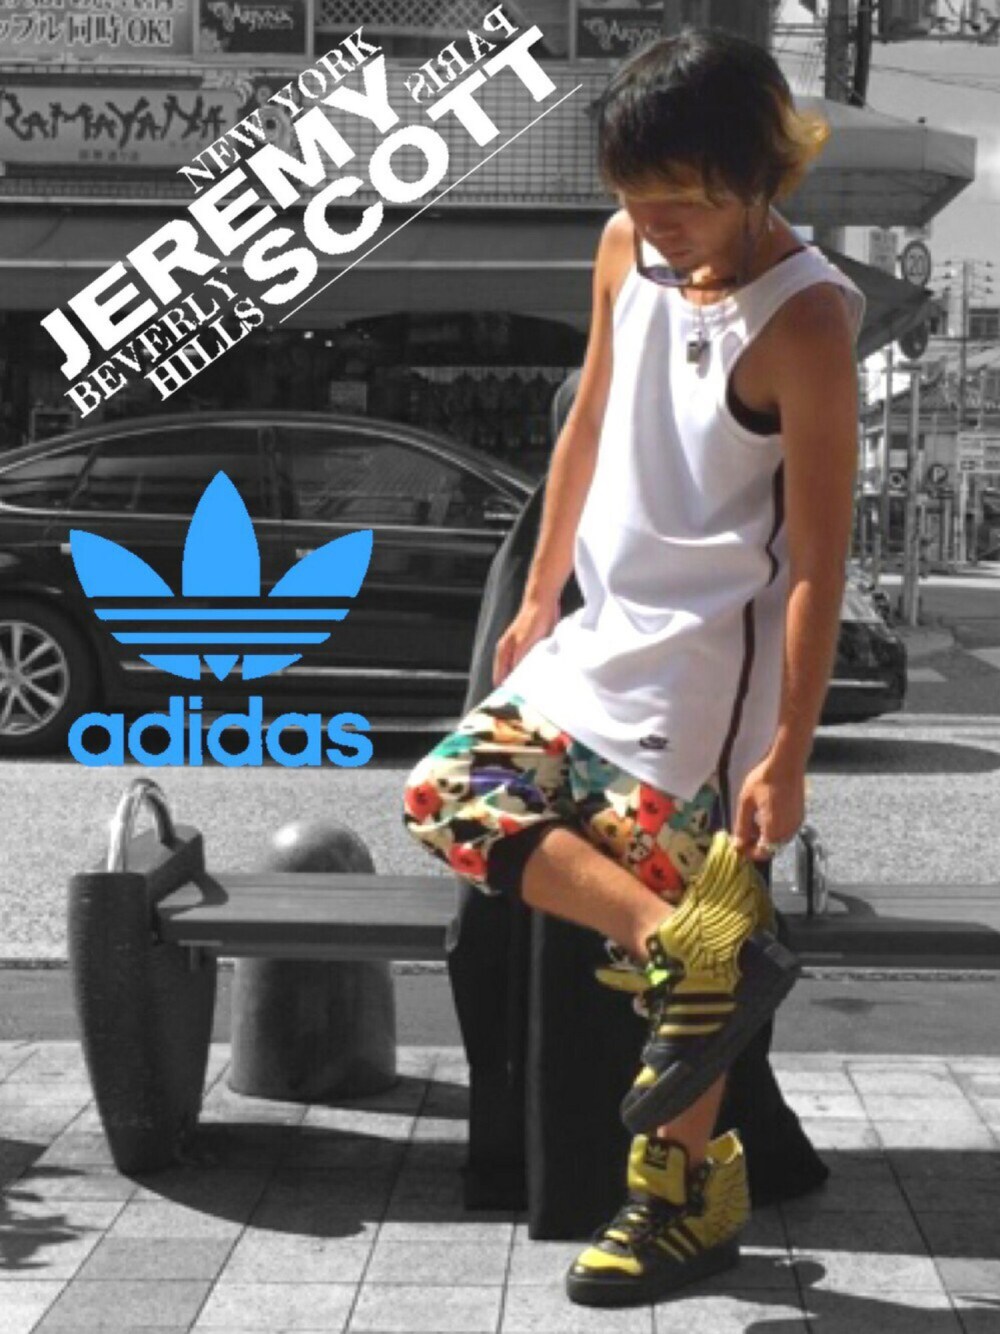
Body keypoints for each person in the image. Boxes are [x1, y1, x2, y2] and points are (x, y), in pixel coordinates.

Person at [403, 27, 865, 1307]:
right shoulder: (625, 249)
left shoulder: (806, 318)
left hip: (710, 690)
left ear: (761, 173)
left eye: (686, 200)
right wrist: (540, 588)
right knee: (449, 793)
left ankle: (673, 1208)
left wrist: (789, 751)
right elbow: (591, 418)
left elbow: (820, 563)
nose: (658, 225)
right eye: (635, 197)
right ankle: (682, 945)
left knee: (682, 963)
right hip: (598, 640)